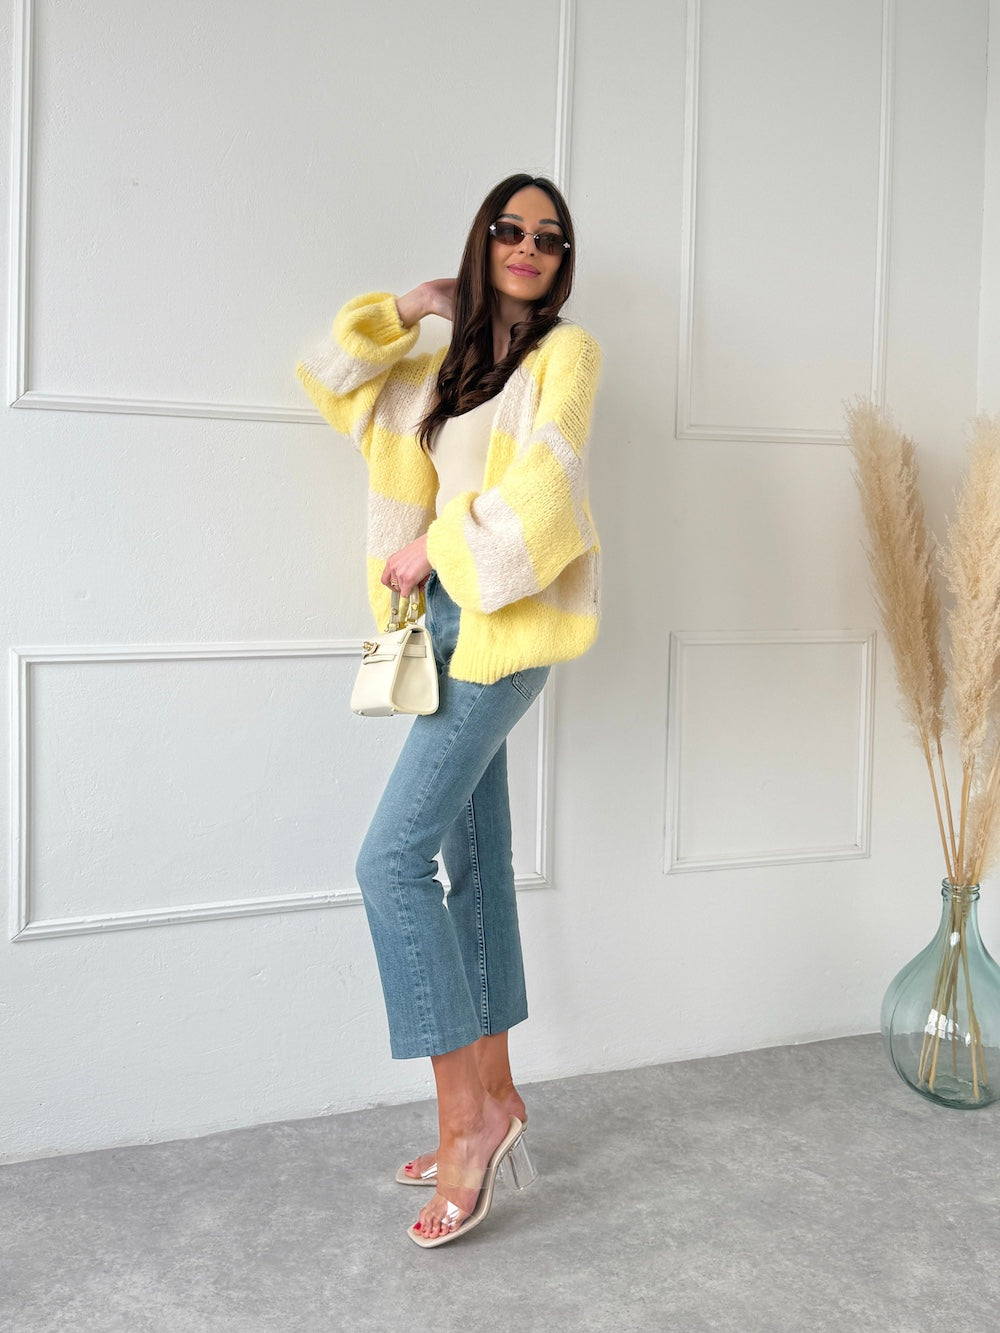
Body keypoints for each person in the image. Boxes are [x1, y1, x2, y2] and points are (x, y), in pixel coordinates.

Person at [295, 173, 601, 1247]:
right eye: (509, 230)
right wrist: (417, 305)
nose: (528, 247)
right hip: (440, 633)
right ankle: (501, 1092)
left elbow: (545, 500)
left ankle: (466, 1121)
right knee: (473, 863)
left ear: (563, 261)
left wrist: (437, 545)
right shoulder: (444, 362)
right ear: (483, 240)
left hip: (500, 634)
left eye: (548, 238)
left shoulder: (566, 355)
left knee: (388, 862)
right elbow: (329, 378)